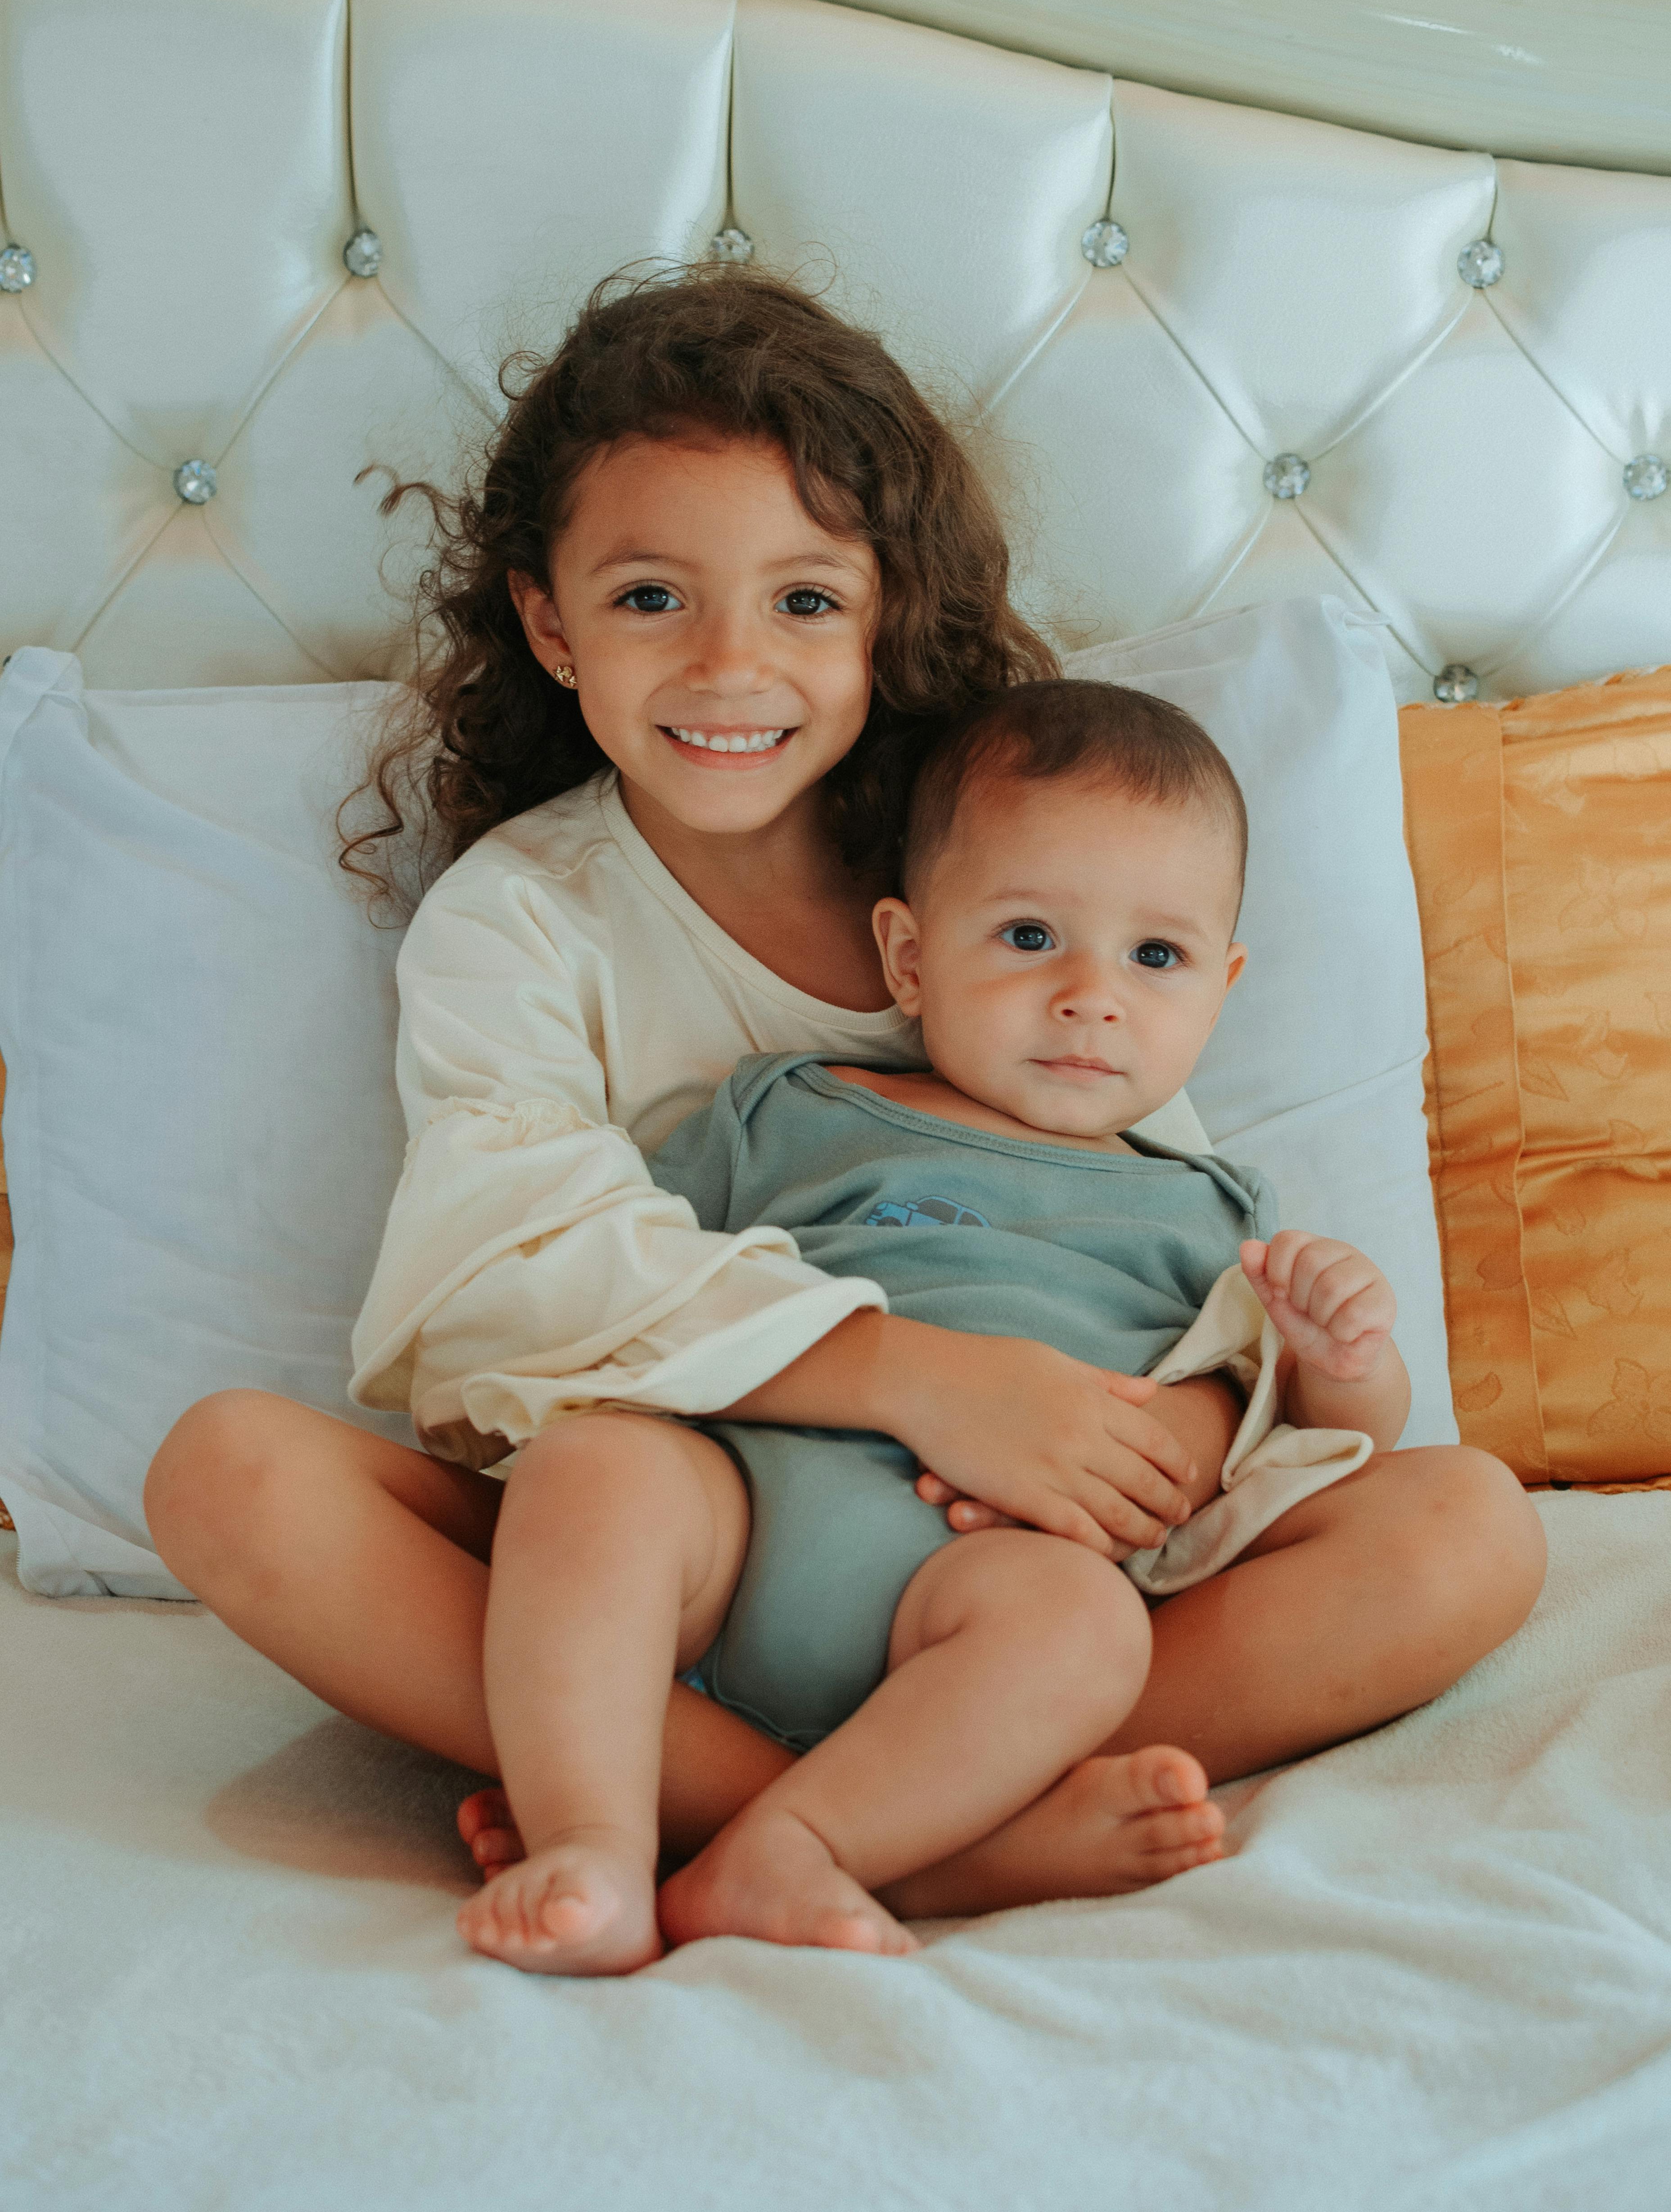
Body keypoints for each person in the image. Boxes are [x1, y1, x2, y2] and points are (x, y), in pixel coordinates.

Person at [143, 267, 1543, 1959]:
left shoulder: (992, 856)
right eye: (654, 595)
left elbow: (1133, 1212)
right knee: (231, 1477)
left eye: (806, 602)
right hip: (690, 1532)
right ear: (550, 622)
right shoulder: (529, 918)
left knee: (1469, 1525)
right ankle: (915, 1842)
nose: (734, 665)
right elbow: (512, 1263)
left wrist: (1184, 1428)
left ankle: (826, 1810)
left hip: (1004, 1562)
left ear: (887, 611)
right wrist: (919, 1375)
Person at [456, 680, 1544, 1972]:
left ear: (1222, 985)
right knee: (596, 1467)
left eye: (1157, 958)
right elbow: (629, 1311)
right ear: (911, 957)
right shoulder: (791, 1108)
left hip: (982, 1598)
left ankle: (796, 1842)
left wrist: (1345, 1361)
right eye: (1030, 937)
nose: (1093, 998)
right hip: (739, 1527)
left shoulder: (1204, 1207)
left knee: (1120, 1616)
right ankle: (592, 1838)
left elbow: (1300, 1451)